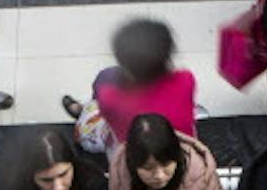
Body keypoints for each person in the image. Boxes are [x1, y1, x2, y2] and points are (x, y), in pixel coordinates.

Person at [61, 17, 199, 150]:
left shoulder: (109, 98)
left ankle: (84, 113)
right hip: (185, 151)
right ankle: (87, 109)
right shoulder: (186, 80)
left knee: (104, 80)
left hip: (133, 158)